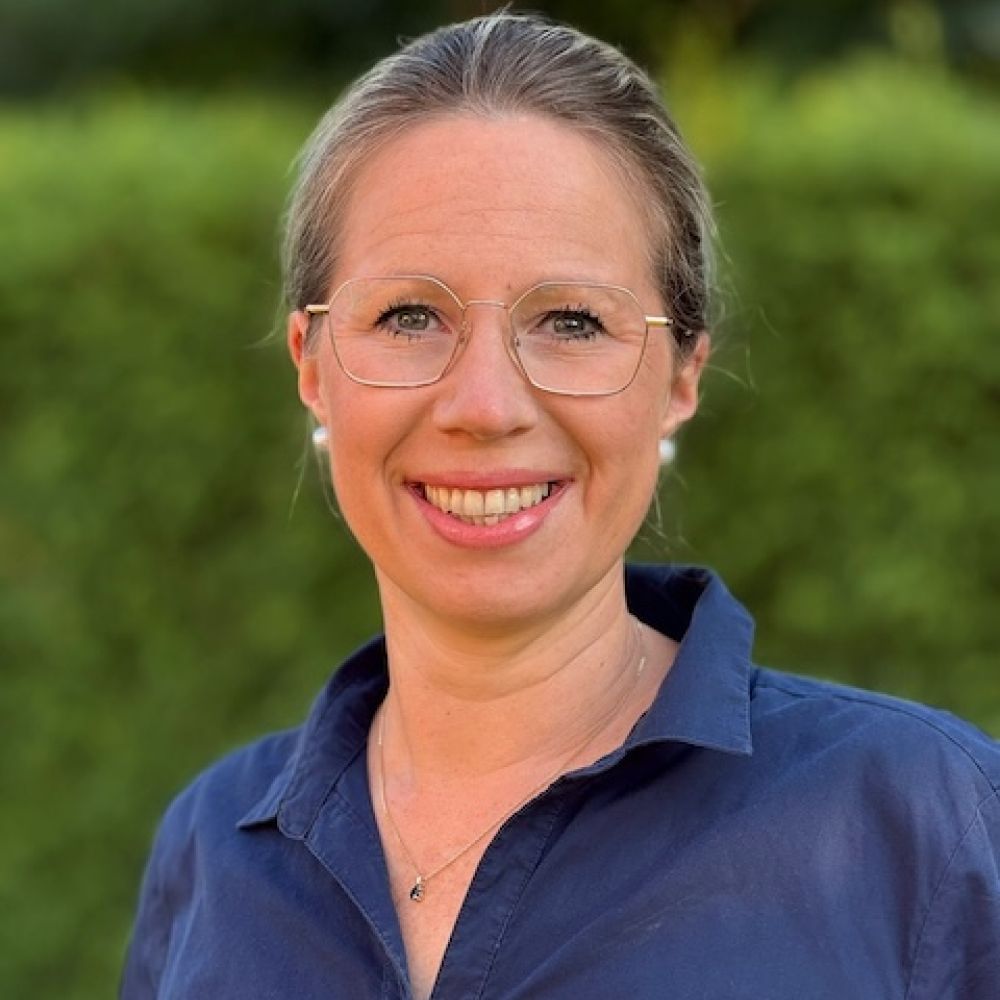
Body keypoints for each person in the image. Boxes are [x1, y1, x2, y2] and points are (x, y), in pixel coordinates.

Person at [121, 12, 1000, 1000]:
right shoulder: (209, 856)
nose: (484, 406)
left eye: (572, 321)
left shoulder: (929, 829)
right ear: (312, 367)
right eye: (409, 315)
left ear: (681, 375)